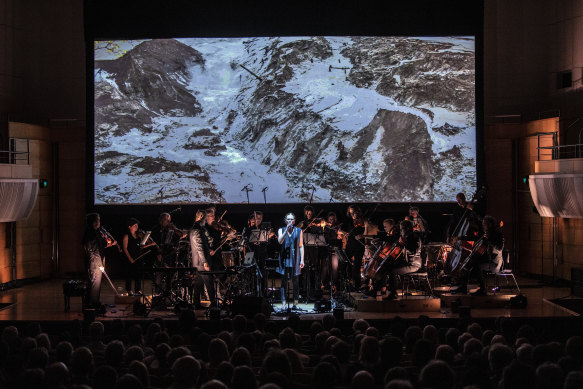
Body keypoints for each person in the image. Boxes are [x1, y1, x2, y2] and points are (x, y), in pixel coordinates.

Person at [456, 215, 504, 295]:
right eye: (483, 224)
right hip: (486, 259)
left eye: (485, 224)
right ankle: (463, 287)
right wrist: (460, 238)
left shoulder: (498, 235)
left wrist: (490, 240)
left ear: (490, 225)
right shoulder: (486, 234)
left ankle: (482, 288)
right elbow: (475, 238)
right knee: (469, 264)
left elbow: (500, 248)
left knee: (476, 266)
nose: (483, 226)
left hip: (494, 262)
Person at [82, 213, 117, 309]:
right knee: (94, 283)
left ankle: (94, 302)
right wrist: (110, 243)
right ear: (93, 222)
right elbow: (93, 248)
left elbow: (101, 244)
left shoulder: (95, 232)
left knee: (96, 283)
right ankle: (93, 304)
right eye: (97, 220)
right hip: (95, 261)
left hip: (97, 260)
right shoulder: (90, 233)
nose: (99, 222)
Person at [277, 213, 305, 309]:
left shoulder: (299, 231)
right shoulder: (281, 230)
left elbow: (301, 246)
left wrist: (302, 260)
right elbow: (280, 241)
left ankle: (295, 303)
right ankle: (284, 303)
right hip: (284, 259)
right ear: (285, 220)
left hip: (295, 259)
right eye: (288, 219)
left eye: (291, 219)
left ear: (294, 221)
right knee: (284, 281)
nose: (290, 221)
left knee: (295, 281)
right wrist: (286, 231)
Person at [190, 210, 216, 309]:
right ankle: (213, 304)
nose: (205, 221)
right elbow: (200, 247)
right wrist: (205, 261)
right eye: (204, 218)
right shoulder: (197, 230)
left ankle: (196, 303)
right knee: (209, 282)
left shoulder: (198, 229)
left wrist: (208, 247)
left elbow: (203, 244)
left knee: (198, 284)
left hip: (198, 262)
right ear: (200, 217)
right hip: (201, 262)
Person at [121, 218, 144, 296]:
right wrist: (130, 258)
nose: (136, 226)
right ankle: (129, 290)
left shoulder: (138, 236)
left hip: (138, 257)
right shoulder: (126, 236)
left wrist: (150, 244)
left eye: (137, 225)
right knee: (129, 274)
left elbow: (140, 247)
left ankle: (138, 289)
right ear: (129, 227)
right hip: (129, 258)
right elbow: (125, 248)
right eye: (135, 225)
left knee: (138, 274)